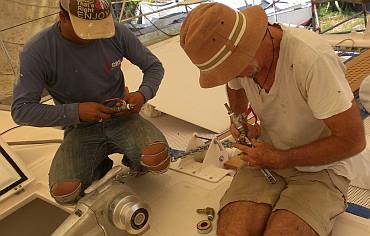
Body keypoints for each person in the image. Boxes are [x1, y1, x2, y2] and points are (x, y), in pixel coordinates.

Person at [180, 3, 369, 236]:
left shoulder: (311, 59)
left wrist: (282, 158)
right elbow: (235, 87)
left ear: (250, 41)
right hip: (266, 156)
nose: (234, 75)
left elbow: (353, 141)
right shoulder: (241, 66)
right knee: (233, 232)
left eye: (234, 68)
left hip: (323, 168)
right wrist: (239, 119)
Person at [11, 0, 170, 205]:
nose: (95, 35)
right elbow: (21, 110)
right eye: (86, 30)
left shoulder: (117, 33)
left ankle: (132, 160)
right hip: (80, 130)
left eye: (99, 29)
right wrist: (76, 112)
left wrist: (142, 95)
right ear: (62, 17)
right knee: (65, 193)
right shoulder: (37, 51)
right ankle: (98, 164)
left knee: (157, 159)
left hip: (122, 119)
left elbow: (154, 67)